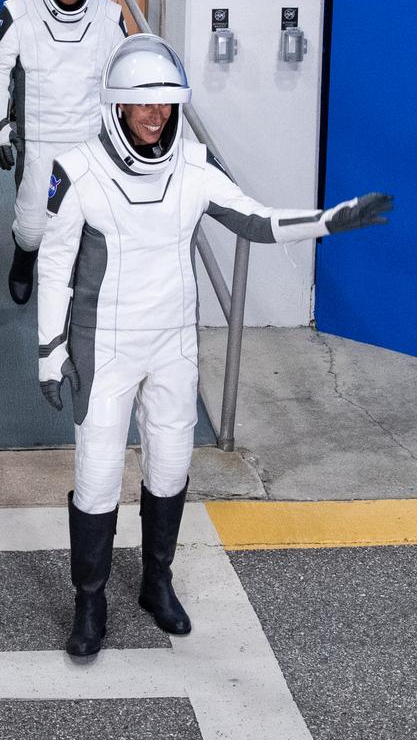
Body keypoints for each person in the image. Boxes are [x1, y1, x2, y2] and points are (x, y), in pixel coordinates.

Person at [37, 34, 393, 661]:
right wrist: (49, 349)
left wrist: (328, 221)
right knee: (96, 477)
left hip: (173, 345)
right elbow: (53, 266)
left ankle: (157, 581)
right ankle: (89, 600)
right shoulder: (76, 171)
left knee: (171, 467)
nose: (156, 117)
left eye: (166, 105)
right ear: (117, 106)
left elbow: (257, 221)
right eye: (143, 105)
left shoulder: (195, 166)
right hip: (104, 350)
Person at [0, 0, 125, 305]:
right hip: (40, 140)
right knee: (32, 228)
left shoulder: (110, 18)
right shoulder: (18, 12)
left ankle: (85, 283)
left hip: (92, 140)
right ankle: (23, 259)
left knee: (94, 220)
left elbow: (122, 79)